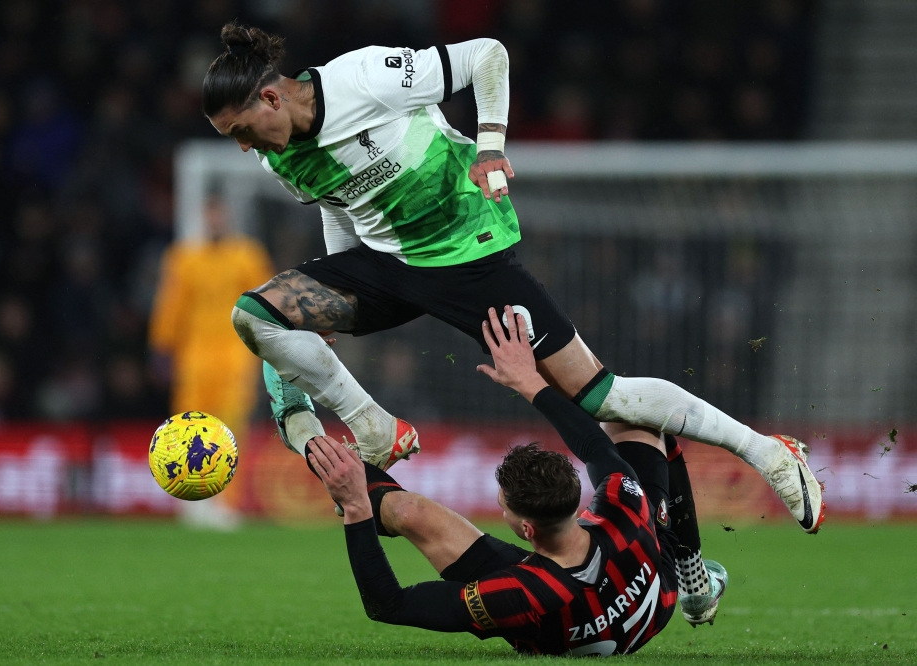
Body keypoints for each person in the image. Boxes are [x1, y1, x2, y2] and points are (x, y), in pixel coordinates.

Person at [203, 24, 824, 533]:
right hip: (387, 264)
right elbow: (340, 205)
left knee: (601, 396)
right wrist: (331, 295)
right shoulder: (274, 153)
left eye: (240, 130)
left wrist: (490, 144)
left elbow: (485, 56)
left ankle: (767, 453)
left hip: (467, 253)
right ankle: (371, 424)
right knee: (255, 316)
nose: (242, 147)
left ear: (272, 99)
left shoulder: (362, 78)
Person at [298, 307, 729, 656]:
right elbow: (596, 447)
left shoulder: (518, 593)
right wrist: (529, 382)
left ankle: (298, 420)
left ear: (525, 529)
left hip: (558, 611)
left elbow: (387, 605)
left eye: (502, 503)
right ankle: (692, 572)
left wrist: (356, 508)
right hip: (657, 591)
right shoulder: (624, 508)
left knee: (394, 508)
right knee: (642, 419)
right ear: (583, 505)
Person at [149, 195, 274, 527]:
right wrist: (161, 347)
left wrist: (273, 348)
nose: (216, 220)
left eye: (221, 214)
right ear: (204, 217)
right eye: (211, 214)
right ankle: (190, 499)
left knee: (232, 431)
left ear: (228, 217)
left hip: (235, 358)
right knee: (187, 429)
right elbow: (171, 304)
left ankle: (226, 503)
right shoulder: (184, 258)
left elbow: (266, 304)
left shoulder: (247, 256)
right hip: (194, 358)